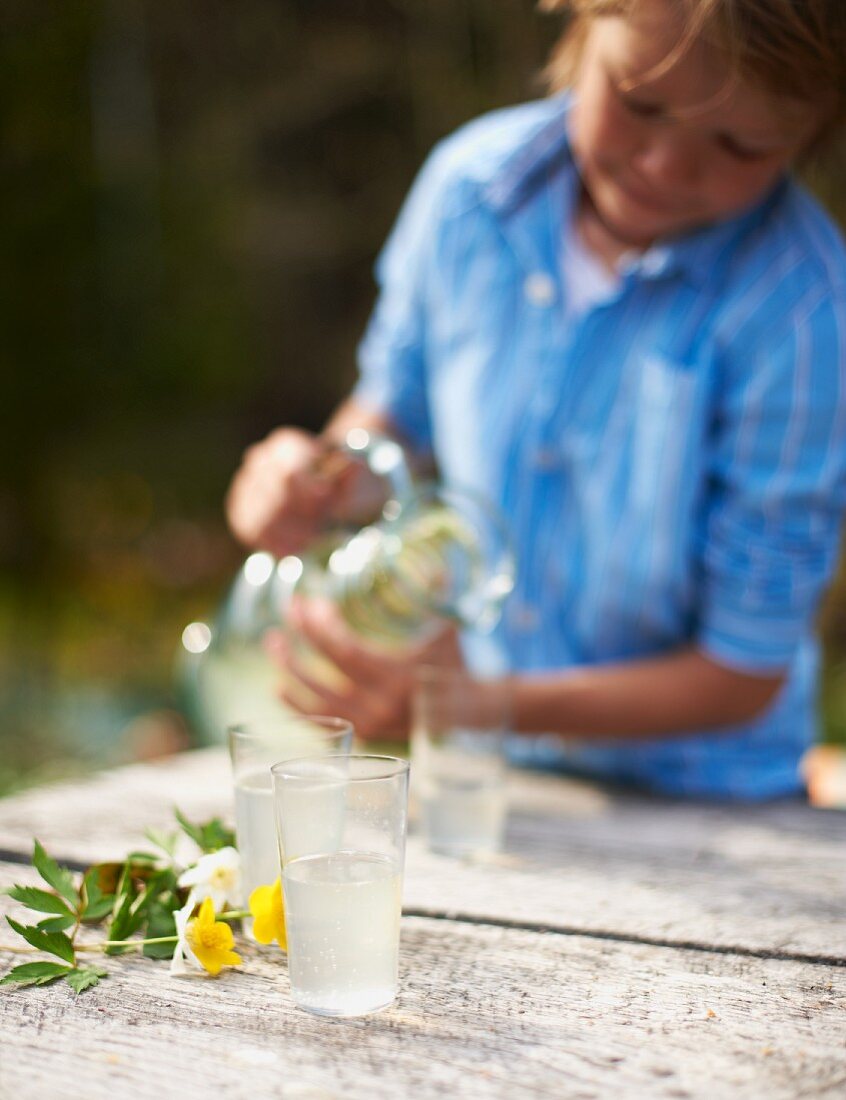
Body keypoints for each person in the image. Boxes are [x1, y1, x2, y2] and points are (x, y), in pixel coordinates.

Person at [225, 0, 846, 800]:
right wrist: (315, 480)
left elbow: (743, 670)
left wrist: (472, 704)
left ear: (813, 134)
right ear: (581, 25)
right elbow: (391, 422)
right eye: (638, 102)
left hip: (707, 801)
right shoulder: (468, 192)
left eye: (739, 145)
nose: (664, 165)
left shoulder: (801, 314)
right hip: (490, 779)